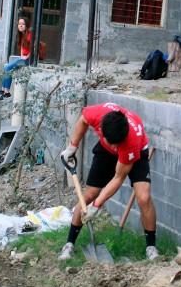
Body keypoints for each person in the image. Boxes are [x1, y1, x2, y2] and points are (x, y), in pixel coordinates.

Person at [58, 102, 160, 261]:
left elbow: (118, 178)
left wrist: (97, 205)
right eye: (110, 142)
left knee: (143, 197)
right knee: (90, 194)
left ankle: (151, 247)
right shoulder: (98, 114)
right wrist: (72, 147)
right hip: (105, 151)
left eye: (116, 144)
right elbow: (83, 120)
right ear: (101, 130)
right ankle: (69, 243)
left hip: (136, 152)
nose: (114, 147)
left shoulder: (130, 143)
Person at [0, 17, 32, 101]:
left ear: (27, 25)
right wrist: (22, 55)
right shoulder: (22, 34)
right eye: (19, 24)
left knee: (7, 67)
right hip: (23, 58)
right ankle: (4, 91)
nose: (21, 25)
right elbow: (22, 47)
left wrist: (26, 57)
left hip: (28, 60)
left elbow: (34, 47)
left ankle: (6, 91)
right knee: (6, 67)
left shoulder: (29, 34)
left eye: (23, 24)